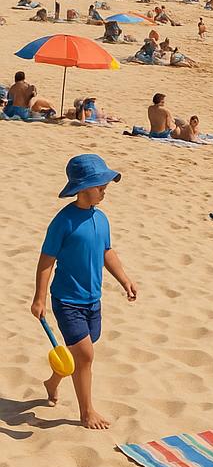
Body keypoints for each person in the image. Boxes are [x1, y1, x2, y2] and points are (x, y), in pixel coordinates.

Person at [30, 155, 137, 429]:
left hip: (93, 299)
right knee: (86, 355)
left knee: (80, 351)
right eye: (100, 184)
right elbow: (46, 260)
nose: (104, 189)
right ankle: (86, 411)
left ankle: (53, 380)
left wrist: (124, 279)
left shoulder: (101, 219)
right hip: (66, 300)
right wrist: (39, 298)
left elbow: (106, 251)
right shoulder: (63, 221)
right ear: (82, 187)